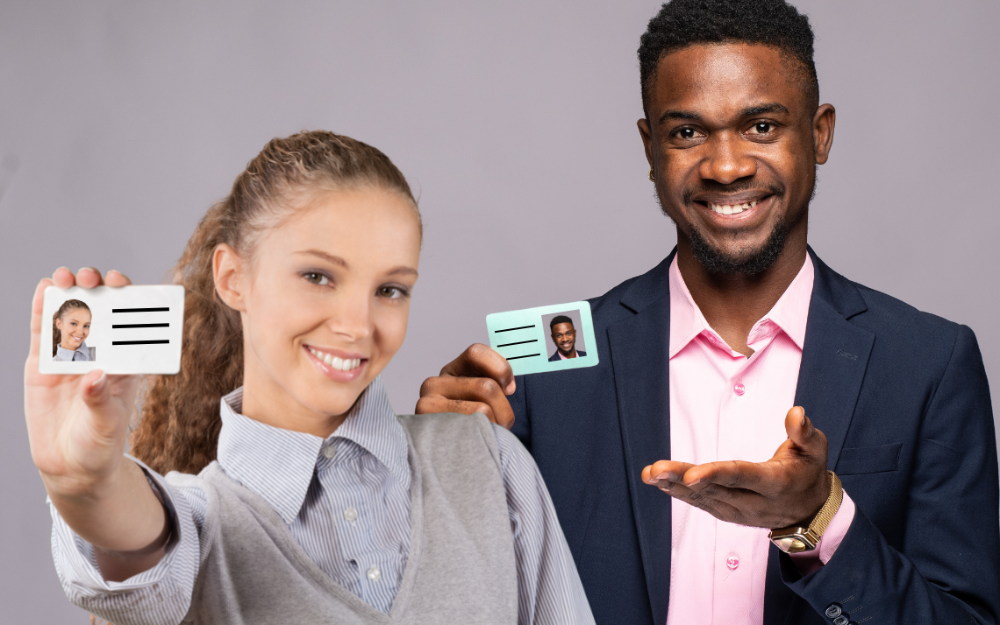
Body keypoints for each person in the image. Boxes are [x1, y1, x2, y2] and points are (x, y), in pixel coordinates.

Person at [415, 1, 1000, 624]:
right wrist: (434, 475)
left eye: (762, 127)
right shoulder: (542, 369)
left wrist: (817, 522)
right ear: (650, 147)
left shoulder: (929, 364)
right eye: (687, 133)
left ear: (820, 133)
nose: (726, 166)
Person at [24, 131, 594, 625]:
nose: (357, 325)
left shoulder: (490, 462)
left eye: (390, 289)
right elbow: (136, 541)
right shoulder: (196, 525)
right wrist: (85, 480)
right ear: (232, 278)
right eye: (318, 276)